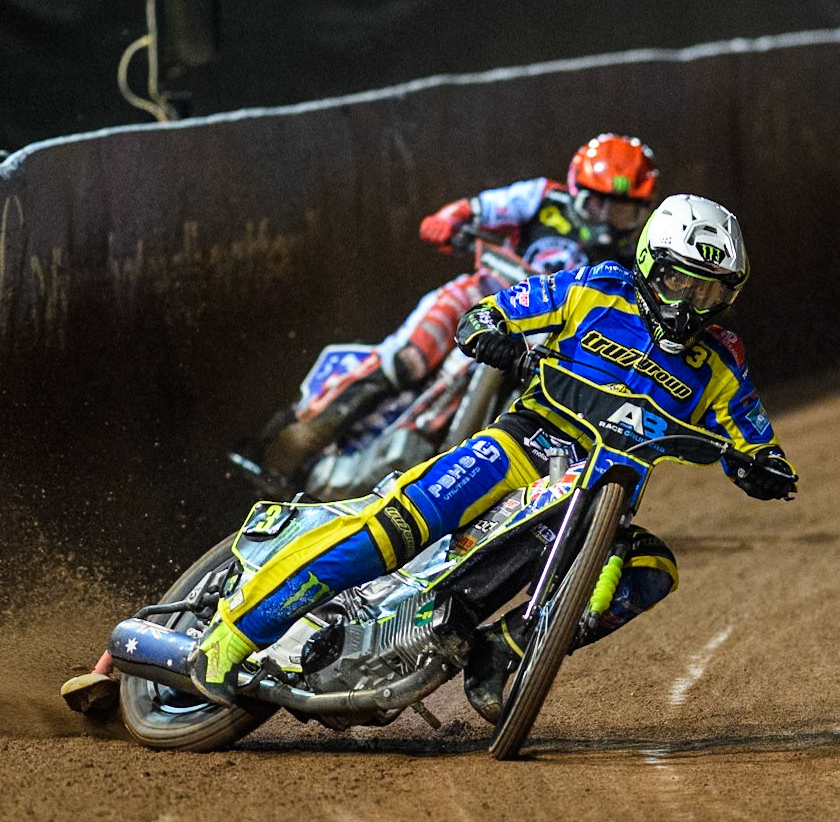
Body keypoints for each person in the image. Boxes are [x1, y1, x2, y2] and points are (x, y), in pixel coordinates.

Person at [194, 194, 798, 722]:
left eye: (710, 292)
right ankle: (234, 634)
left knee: (653, 571)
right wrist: (493, 333)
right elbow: (493, 309)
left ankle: (498, 649)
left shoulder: (723, 359)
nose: (691, 303)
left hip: (599, 509)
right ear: (650, 264)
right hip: (519, 449)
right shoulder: (593, 287)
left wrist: (764, 467)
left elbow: (754, 437)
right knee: (400, 524)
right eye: (680, 282)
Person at [255, 133, 661, 483]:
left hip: (540, 338)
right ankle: (302, 433)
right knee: (408, 359)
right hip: (486, 295)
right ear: (577, 190)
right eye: (598, 205)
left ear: (642, 211)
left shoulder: (632, 260)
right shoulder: (540, 197)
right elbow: (474, 208)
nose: (606, 220)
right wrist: (450, 220)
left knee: (471, 404)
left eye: (622, 209)